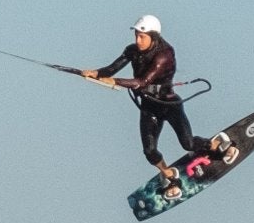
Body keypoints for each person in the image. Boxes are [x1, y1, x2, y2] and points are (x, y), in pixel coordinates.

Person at [81, 15, 225, 184]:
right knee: (149, 151)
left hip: (169, 104)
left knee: (187, 143)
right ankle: (168, 174)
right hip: (149, 106)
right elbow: (112, 69)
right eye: (136, 35)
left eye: (142, 36)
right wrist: (96, 73)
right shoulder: (132, 50)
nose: (138, 40)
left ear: (153, 36)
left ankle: (215, 146)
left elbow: (142, 82)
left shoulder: (165, 54)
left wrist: (114, 82)